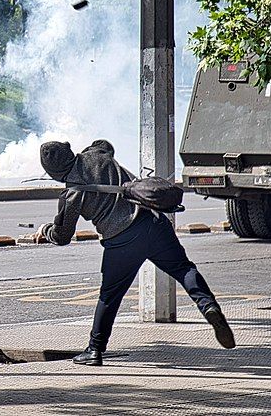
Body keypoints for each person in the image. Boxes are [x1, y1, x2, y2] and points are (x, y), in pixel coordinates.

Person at [36, 139, 235, 366]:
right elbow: (104, 144)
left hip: (121, 241)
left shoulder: (71, 195)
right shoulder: (96, 156)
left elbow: (61, 237)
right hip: (152, 221)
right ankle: (208, 305)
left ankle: (94, 350)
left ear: (52, 173)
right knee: (183, 268)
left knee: (109, 296)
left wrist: (45, 230)